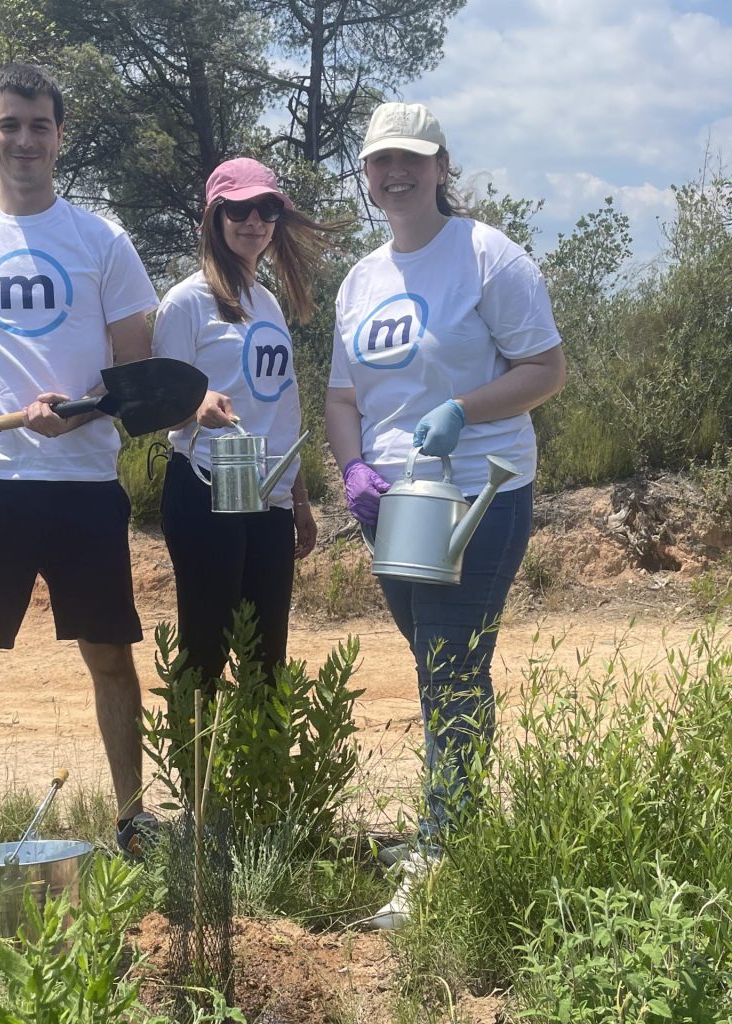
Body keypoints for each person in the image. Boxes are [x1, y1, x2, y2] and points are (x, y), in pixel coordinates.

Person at [0, 63, 161, 888]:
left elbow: (138, 368)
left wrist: (82, 412)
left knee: (113, 657)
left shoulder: (101, 241)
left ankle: (132, 820)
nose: (24, 139)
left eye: (39, 125)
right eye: (9, 124)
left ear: (60, 137)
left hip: (85, 485)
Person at [325, 102, 566, 928]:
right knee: (434, 660)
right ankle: (449, 818)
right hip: (391, 502)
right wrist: (352, 462)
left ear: (440, 167)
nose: (396, 175)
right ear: (366, 174)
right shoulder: (360, 280)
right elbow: (342, 394)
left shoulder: (487, 256)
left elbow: (545, 368)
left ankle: (443, 848)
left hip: (478, 489)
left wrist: (463, 407)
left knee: (454, 661)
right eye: (380, 162)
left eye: (412, 160)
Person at [152, 157, 338, 696]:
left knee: (266, 658)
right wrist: (196, 405)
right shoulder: (187, 301)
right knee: (205, 652)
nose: (253, 220)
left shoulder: (269, 303)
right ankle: (198, 780)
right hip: (208, 486)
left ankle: (260, 782)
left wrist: (298, 499)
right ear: (214, 217)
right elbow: (161, 403)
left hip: (269, 497)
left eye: (267, 208)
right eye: (238, 208)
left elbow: (277, 410)